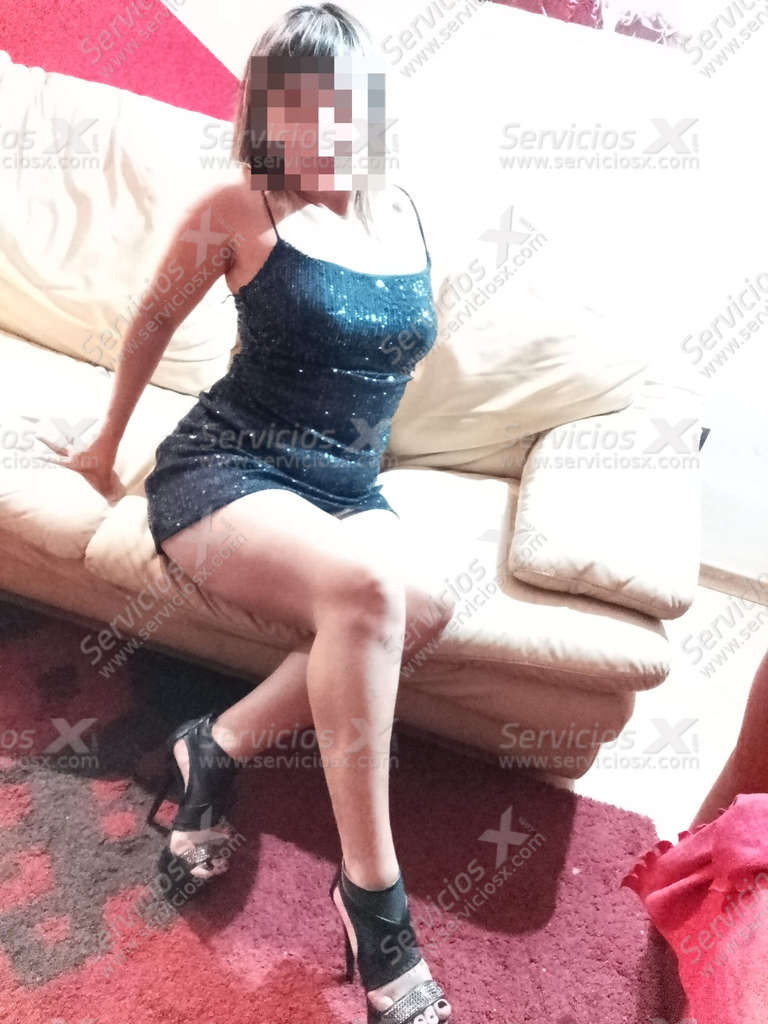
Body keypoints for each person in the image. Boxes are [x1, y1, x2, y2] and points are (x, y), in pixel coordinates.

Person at [40, 5, 454, 1023]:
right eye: (292, 111)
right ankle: (375, 901)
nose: (317, 132)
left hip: (346, 485)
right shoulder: (238, 207)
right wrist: (105, 445)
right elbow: (150, 320)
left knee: (426, 607)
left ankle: (216, 741)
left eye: (338, 106)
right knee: (368, 590)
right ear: (265, 118)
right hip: (228, 468)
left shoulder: (405, 212)